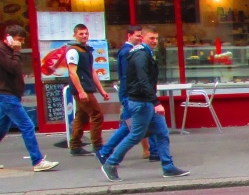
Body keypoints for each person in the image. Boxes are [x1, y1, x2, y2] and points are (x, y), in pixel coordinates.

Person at [100, 27, 189, 181]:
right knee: (135, 135)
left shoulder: (142, 53)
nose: (154, 41)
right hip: (142, 102)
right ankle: (110, 163)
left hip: (144, 101)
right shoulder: (141, 55)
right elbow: (143, 80)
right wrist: (156, 102)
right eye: (151, 38)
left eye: (156, 38)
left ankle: (168, 167)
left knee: (162, 133)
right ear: (142, 38)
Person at [99, 25, 160, 164]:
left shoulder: (135, 51)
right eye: (138, 36)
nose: (140, 39)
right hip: (133, 96)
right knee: (130, 127)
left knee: (150, 124)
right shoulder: (129, 52)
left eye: (140, 36)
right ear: (129, 36)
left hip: (134, 95)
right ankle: (106, 153)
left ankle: (155, 152)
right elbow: (131, 77)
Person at [0, 25, 58, 172]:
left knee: (2, 128)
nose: (21, 43)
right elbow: (13, 68)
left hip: (10, 94)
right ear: (8, 37)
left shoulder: (9, 51)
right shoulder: (2, 51)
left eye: (22, 40)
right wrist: (16, 52)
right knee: (27, 125)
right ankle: (37, 161)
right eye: (19, 40)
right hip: (6, 94)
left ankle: (37, 160)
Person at [65, 22, 109, 156]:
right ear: (75, 35)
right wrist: (80, 91)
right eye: (81, 34)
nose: (84, 36)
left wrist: (102, 90)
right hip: (82, 89)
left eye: (86, 33)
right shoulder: (73, 51)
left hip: (87, 87)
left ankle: (75, 146)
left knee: (81, 116)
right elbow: (73, 72)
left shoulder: (86, 50)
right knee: (97, 115)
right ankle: (97, 145)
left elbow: (92, 71)